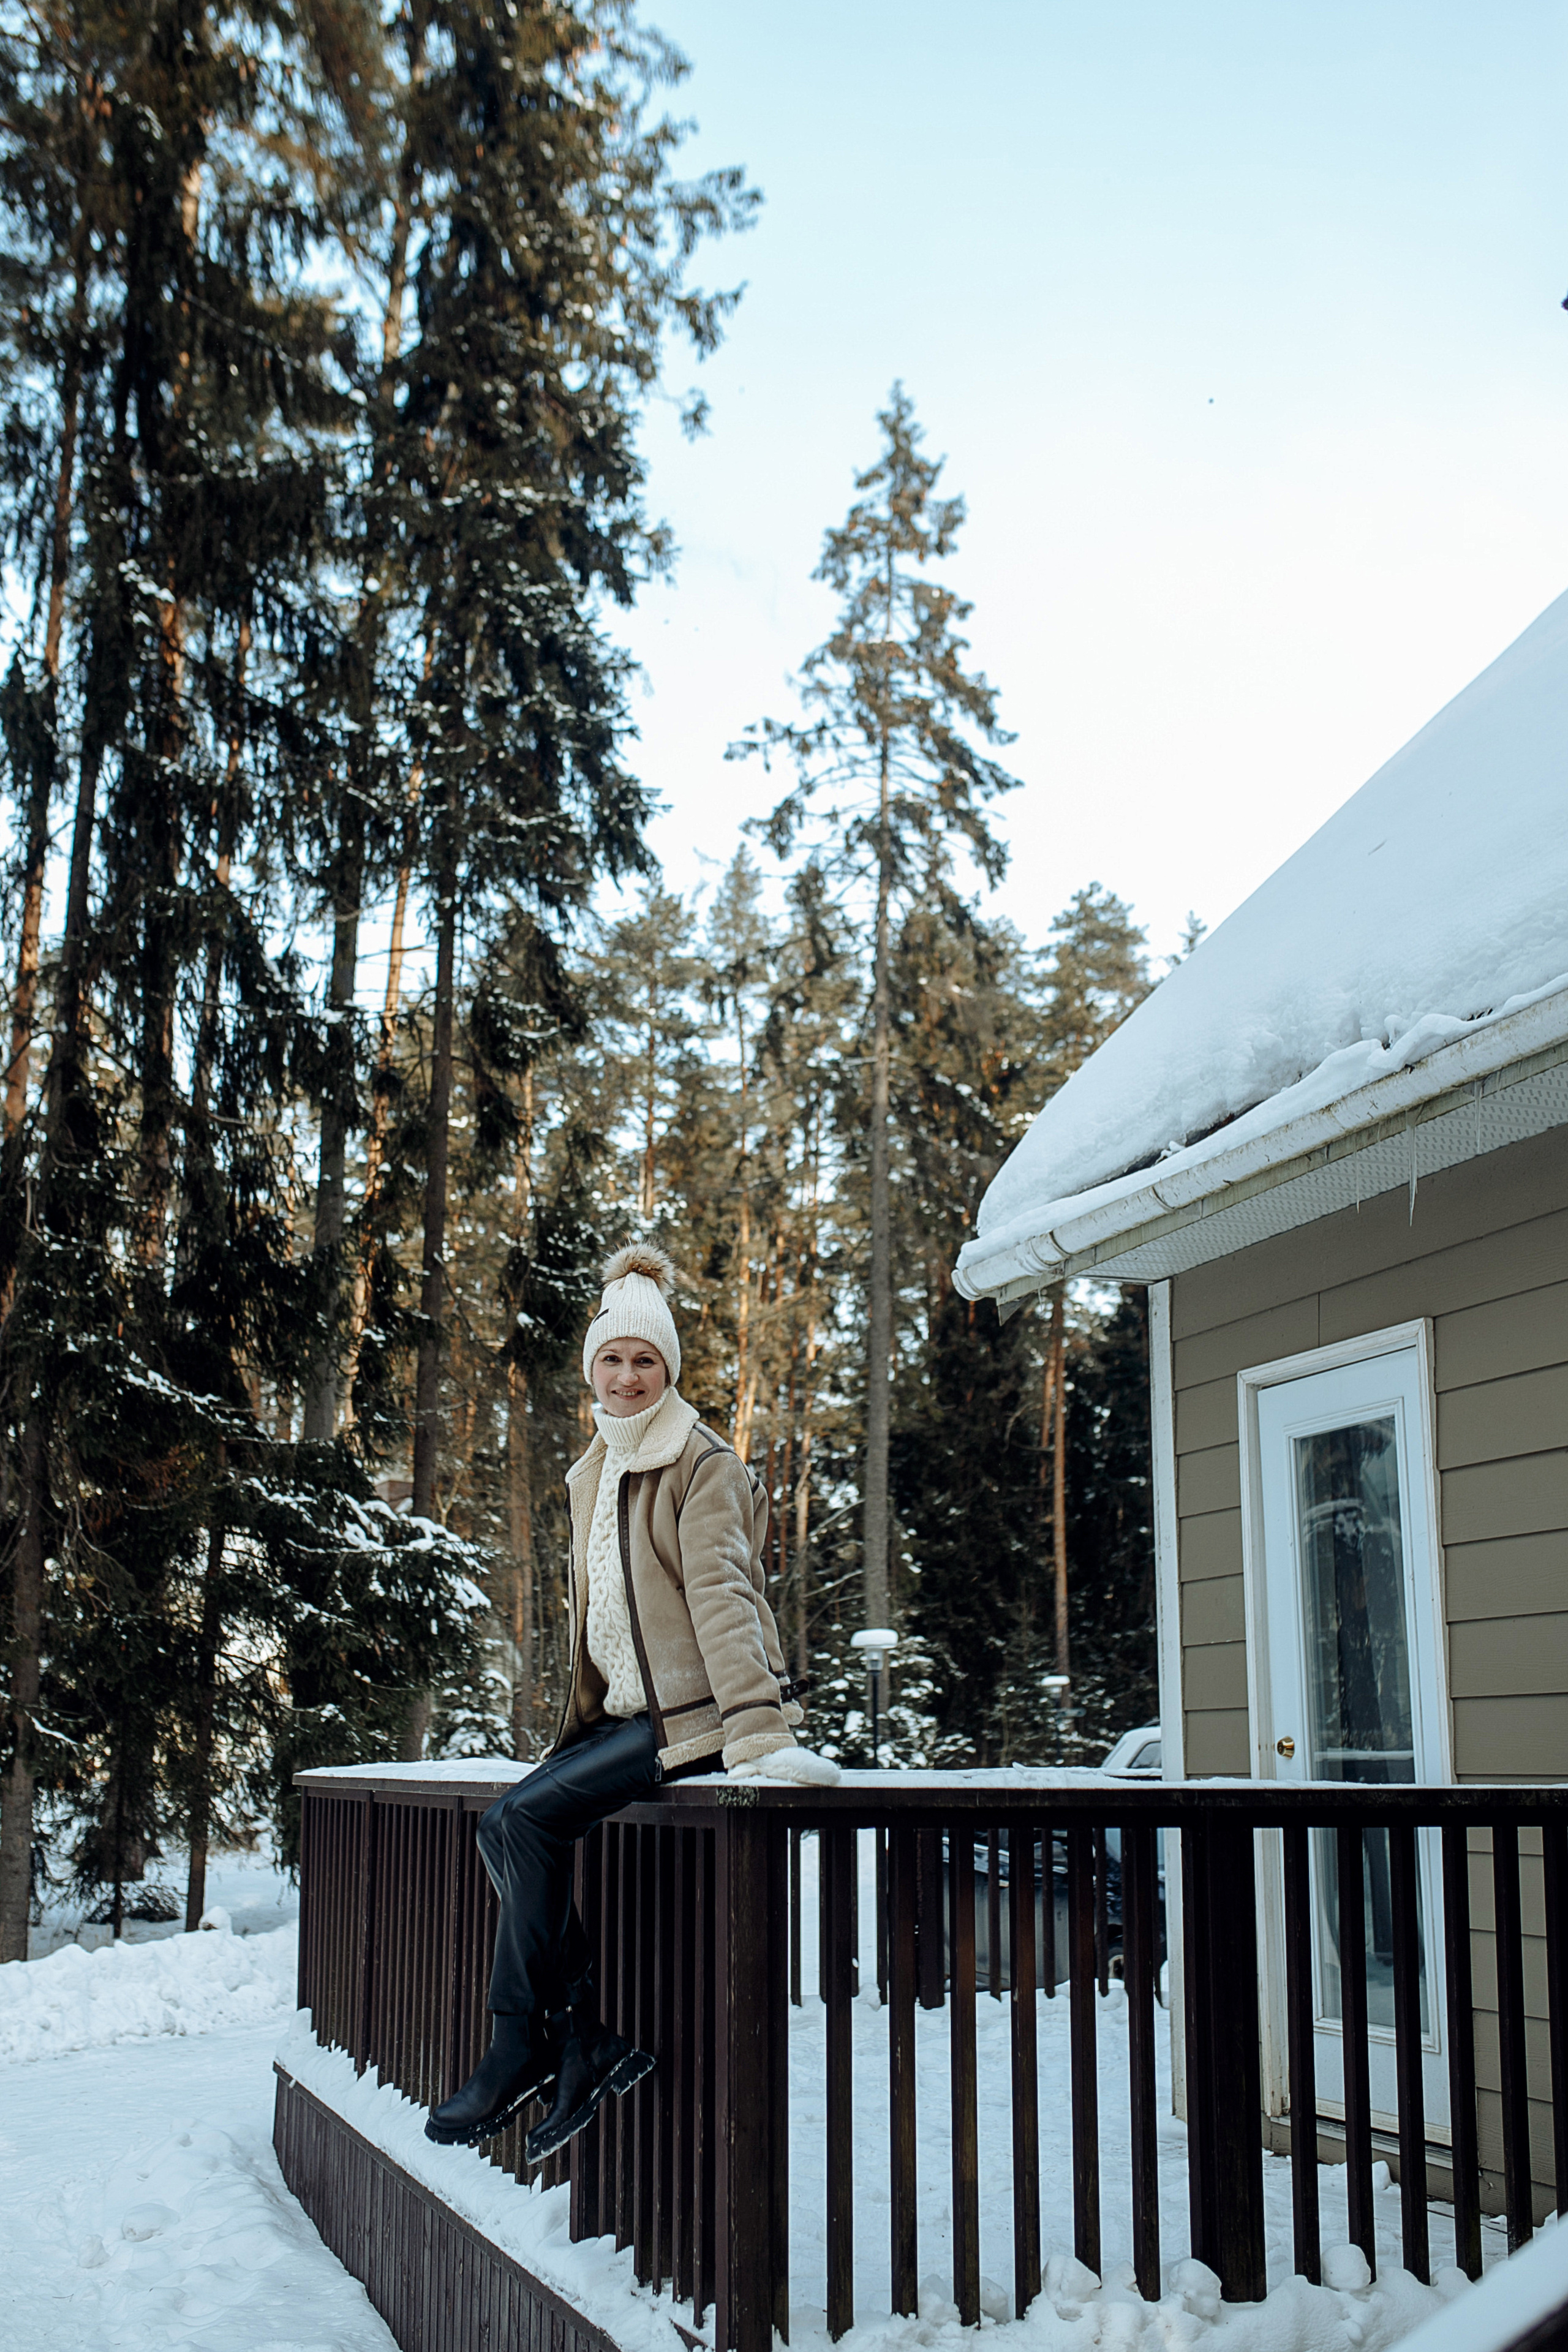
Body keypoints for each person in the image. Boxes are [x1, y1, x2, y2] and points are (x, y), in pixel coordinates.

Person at [426, 1243, 839, 2161]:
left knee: (526, 1824)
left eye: (643, 1360)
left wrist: (757, 1728)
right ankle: (580, 2037)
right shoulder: (592, 1473)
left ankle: (518, 2044)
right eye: (611, 1360)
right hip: (619, 1719)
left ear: (668, 1370)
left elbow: (726, 1596)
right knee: (503, 1825)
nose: (625, 1376)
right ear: (592, 1371)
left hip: (689, 1722)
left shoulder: (701, 1464)